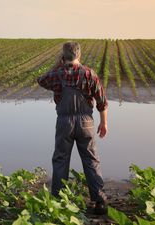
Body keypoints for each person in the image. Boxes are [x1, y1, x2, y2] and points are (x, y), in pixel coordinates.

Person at [37, 41, 108, 215]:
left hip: (64, 123)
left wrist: (56, 64)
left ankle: (59, 201)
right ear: (79, 55)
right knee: (91, 160)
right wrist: (103, 123)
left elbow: (40, 80)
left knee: (61, 160)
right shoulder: (89, 74)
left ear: (63, 56)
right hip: (86, 123)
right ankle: (99, 202)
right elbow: (102, 102)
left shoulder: (56, 74)